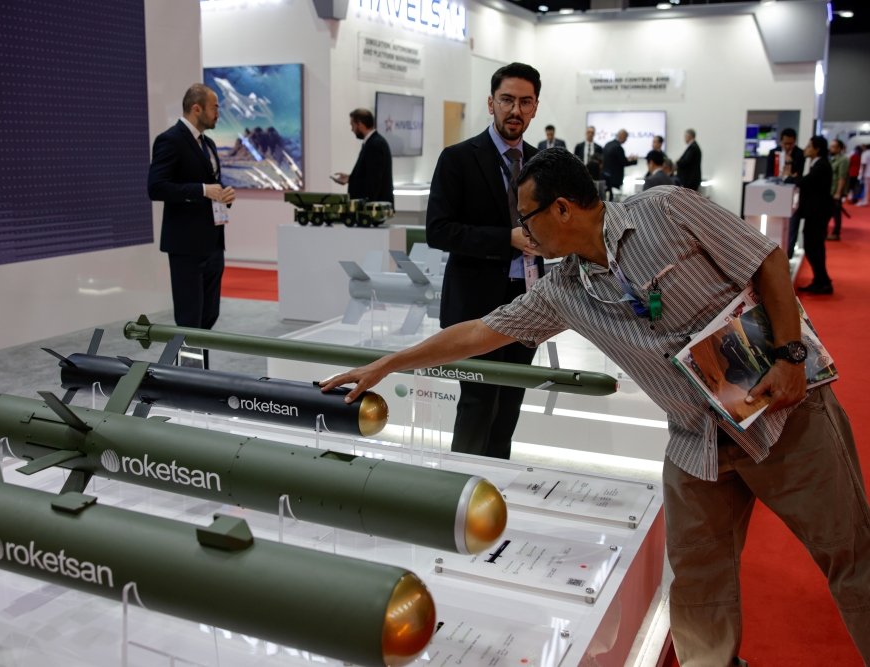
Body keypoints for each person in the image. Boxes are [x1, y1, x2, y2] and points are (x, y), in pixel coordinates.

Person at [322, 147, 870, 667]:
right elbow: (478, 333)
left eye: (527, 217)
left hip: (781, 413)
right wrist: (389, 364)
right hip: (697, 439)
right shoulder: (563, 289)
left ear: (561, 209)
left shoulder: (667, 209)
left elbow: (767, 260)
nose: (523, 231)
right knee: (698, 580)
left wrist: (791, 356)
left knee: (850, 557)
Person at [424, 62, 543, 460]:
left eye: (525, 102)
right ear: (491, 103)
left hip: (528, 300)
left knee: (510, 405)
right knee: (478, 401)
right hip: (477, 303)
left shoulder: (543, 164)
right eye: (507, 100)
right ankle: (460, 492)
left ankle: (494, 486)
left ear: (535, 108)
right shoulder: (458, 158)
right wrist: (503, 239)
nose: (515, 110)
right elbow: (439, 230)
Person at [148, 84, 235, 368]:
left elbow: (211, 188)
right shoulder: (170, 140)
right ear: (196, 108)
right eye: (215, 107)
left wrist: (224, 196)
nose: (218, 113)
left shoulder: (207, 143)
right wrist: (202, 190)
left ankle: (201, 378)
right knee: (189, 321)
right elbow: (156, 187)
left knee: (208, 319)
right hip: (186, 247)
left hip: (212, 244)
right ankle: (187, 383)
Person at [784, 136, 833, 294]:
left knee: (813, 246)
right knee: (816, 246)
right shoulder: (819, 164)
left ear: (817, 149)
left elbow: (806, 181)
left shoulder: (821, 165)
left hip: (817, 213)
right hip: (817, 212)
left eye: (809, 146)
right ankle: (820, 280)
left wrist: (788, 178)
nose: (806, 148)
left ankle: (823, 281)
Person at [333, 109, 394, 204]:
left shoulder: (374, 145)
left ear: (360, 125)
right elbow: (369, 173)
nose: (352, 129)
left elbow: (374, 179)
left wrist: (366, 203)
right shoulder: (374, 142)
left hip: (372, 208)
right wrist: (351, 178)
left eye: (352, 125)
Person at [768, 129, 806, 256]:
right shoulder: (773, 153)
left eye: (790, 143)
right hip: (775, 193)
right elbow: (769, 173)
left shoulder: (800, 154)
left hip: (793, 195)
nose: (788, 146)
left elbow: (798, 176)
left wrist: (790, 163)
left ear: (794, 141)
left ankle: (788, 255)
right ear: (781, 141)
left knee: (793, 224)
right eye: (785, 143)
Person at [601, 129, 638, 196]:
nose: (626, 140)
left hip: (605, 176)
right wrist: (634, 161)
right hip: (615, 178)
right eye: (626, 138)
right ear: (623, 136)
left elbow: (614, 159)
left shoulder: (608, 144)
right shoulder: (618, 147)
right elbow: (623, 162)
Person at [827, 139, 849, 241]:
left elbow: (842, 177)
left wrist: (838, 193)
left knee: (836, 212)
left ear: (839, 148)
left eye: (833, 146)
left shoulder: (843, 160)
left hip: (836, 191)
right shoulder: (832, 159)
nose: (831, 148)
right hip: (831, 190)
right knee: (831, 212)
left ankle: (836, 233)